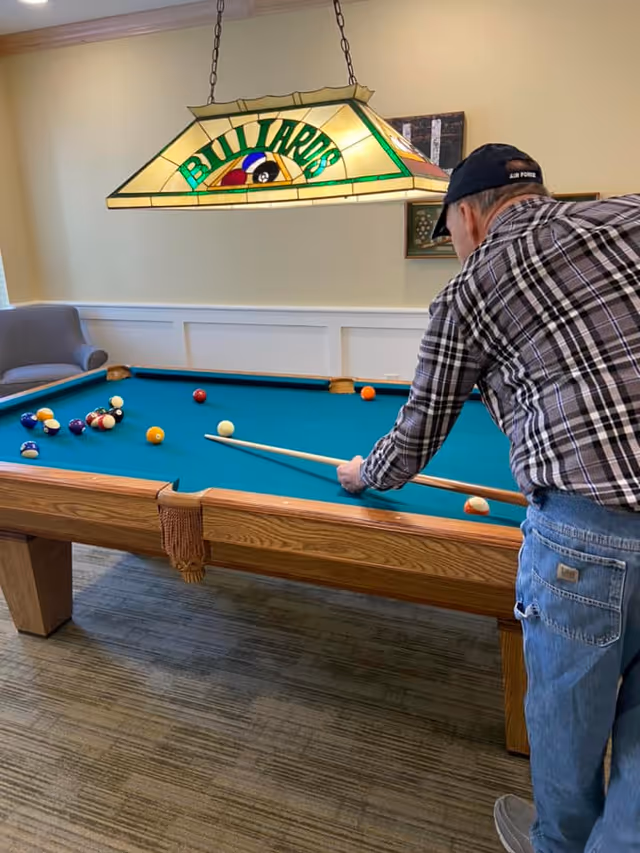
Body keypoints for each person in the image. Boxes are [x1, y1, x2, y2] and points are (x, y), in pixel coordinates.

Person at [337, 143, 640, 853]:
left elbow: (416, 435)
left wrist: (364, 474)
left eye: (449, 234)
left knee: (568, 731)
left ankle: (559, 845)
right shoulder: (629, 217)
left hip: (583, 541)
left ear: (468, 216)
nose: (453, 248)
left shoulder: (470, 289)